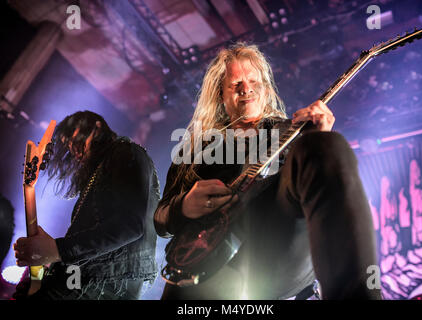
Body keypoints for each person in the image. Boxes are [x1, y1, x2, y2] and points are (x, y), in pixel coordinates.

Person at [154, 43, 381, 300]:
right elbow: (160, 221)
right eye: (236, 83)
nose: (246, 88)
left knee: (326, 144)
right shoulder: (195, 148)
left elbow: (328, 191)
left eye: (253, 80)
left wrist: (318, 142)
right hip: (210, 268)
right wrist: (183, 205)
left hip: (277, 253)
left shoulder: (292, 132)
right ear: (220, 94)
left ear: (266, 88)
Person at [13, 111, 160, 300]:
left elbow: (129, 225)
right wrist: (50, 255)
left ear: (97, 128)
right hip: (91, 279)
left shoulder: (126, 152)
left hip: (109, 283)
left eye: (76, 140)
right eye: (68, 146)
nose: (74, 150)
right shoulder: (100, 172)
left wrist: (59, 250)